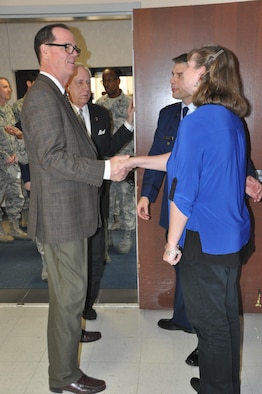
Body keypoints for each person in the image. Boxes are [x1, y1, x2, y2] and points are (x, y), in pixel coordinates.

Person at [125, 45, 255, 394]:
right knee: (225, 317)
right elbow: (180, 160)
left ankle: (218, 388)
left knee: (209, 323)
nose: (179, 77)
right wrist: (135, 161)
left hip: (203, 237)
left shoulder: (199, 119)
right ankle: (222, 382)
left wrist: (171, 245)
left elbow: (183, 190)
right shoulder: (228, 117)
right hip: (229, 235)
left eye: (185, 71)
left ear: (204, 74)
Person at [21, 23, 130, 394]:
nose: (74, 53)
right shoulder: (42, 98)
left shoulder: (54, 94)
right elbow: (51, 157)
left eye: (74, 48)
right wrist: (104, 169)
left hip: (71, 212)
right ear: (45, 51)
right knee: (68, 299)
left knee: (70, 297)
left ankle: (66, 356)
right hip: (61, 216)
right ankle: (63, 377)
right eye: (67, 47)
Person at [66, 63, 134, 321]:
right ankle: (72, 309)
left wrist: (128, 125)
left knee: (95, 258)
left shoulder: (100, 114)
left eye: (87, 83)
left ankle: (87, 305)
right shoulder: (60, 114)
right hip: (69, 200)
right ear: (67, 86)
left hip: (97, 198)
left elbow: (106, 150)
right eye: (79, 83)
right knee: (73, 260)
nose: (86, 88)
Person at [137, 53, 194, 336]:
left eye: (179, 75)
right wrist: (147, 194)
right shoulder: (168, 115)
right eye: (172, 74)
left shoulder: (215, 113)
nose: (172, 80)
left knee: (200, 272)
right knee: (180, 265)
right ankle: (184, 317)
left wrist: (247, 178)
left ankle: (204, 332)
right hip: (172, 208)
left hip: (199, 211)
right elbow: (158, 157)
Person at [96, 68, 136, 254]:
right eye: (104, 81)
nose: (107, 84)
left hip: (126, 161)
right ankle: (107, 237)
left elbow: (136, 132)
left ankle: (128, 235)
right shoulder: (99, 104)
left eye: (111, 80)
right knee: (107, 202)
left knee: (126, 201)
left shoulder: (129, 103)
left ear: (118, 81)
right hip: (106, 163)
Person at [0, 76, 29, 242]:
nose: (9, 89)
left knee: (16, 196)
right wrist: (5, 156)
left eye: (8, 87)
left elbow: (16, 134)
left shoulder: (9, 110)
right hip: (1, 163)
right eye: (5, 87)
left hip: (13, 164)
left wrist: (17, 153)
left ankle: (14, 227)